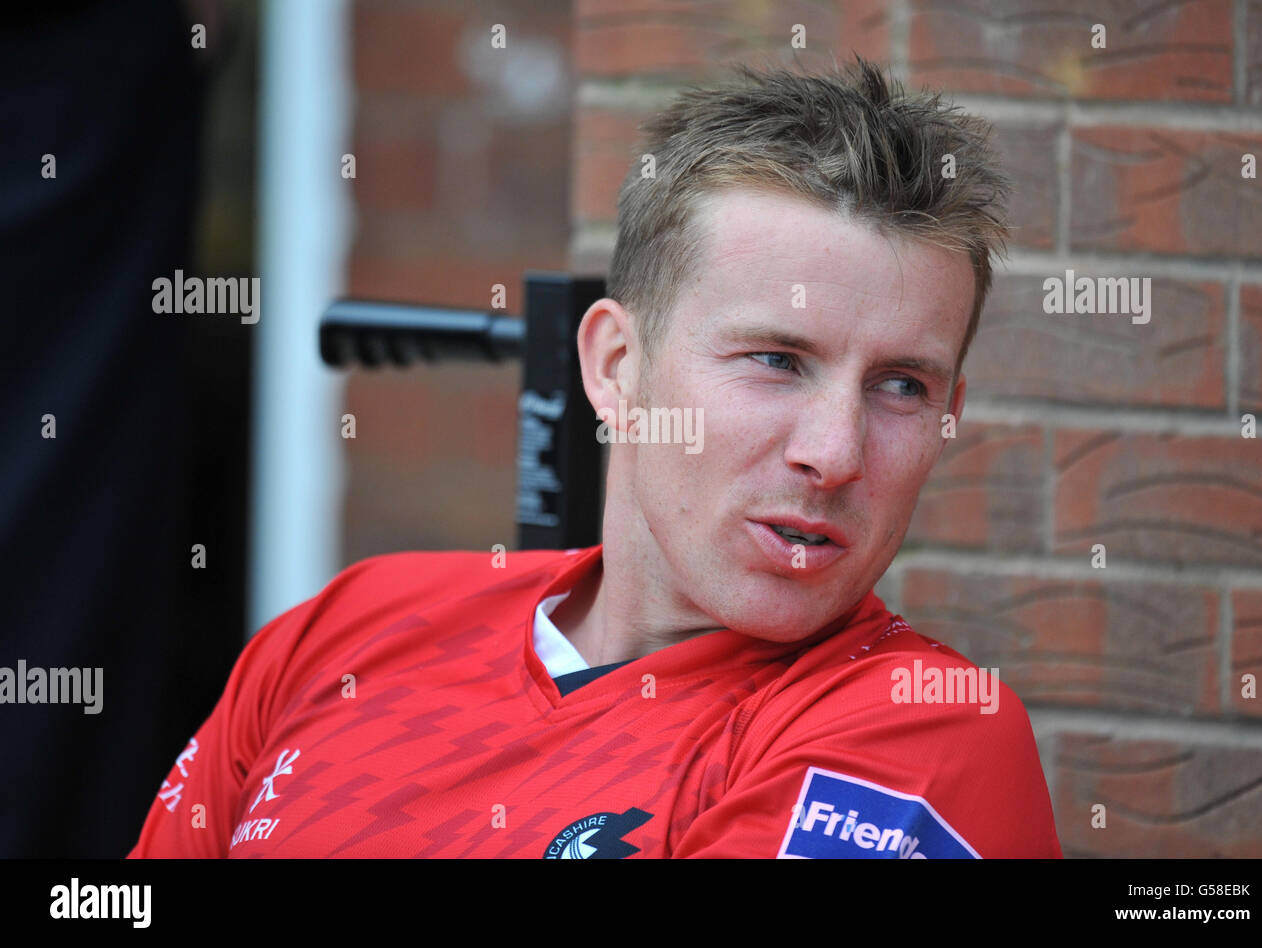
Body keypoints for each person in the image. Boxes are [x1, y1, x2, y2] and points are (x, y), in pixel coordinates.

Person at [129, 56, 1062, 859]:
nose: (835, 454)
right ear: (617, 367)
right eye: (776, 361)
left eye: (902, 385)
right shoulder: (347, 630)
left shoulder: (920, 734)